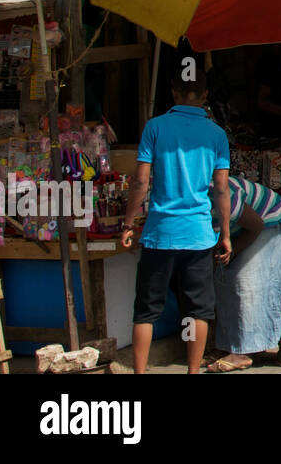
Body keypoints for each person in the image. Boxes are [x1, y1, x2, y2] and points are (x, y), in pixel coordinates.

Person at [120, 65, 232, 375]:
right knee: (197, 310)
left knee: (146, 311)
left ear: (173, 91)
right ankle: (192, 372)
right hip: (198, 235)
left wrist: (128, 224)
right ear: (205, 94)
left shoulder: (155, 127)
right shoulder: (216, 134)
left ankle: (139, 373)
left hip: (160, 233)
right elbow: (221, 189)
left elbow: (141, 183)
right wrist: (225, 233)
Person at [207, 175, 281, 373]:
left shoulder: (220, 193)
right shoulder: (190, 200)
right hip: (243, 229)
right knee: (223, 279)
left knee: (245, 280)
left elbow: (256, 225)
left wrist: (233, 251)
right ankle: (228, 346)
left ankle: (244, 352)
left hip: (269, 220)